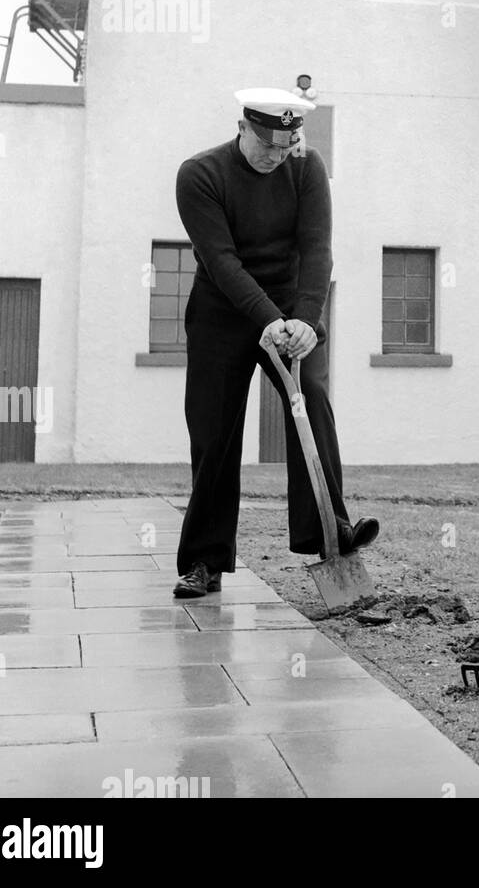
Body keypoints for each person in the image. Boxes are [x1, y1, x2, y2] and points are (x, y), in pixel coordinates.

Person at [171, 86, 378, 598]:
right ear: (242, 128)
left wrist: (305, 320)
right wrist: (265, 319)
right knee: (214, 432)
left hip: (292, 308)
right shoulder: (199, 174)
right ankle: (205, 559)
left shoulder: (307, 168)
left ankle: (331, 532)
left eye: (286, 147)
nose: (277, 157)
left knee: (313, 401)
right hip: (222, 311)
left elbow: (317, 249)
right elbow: (220, 260)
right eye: (267, 147)